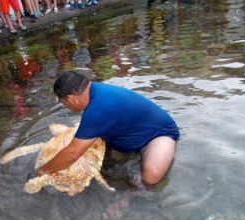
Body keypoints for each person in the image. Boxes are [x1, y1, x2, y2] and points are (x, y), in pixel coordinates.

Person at [37, 71, 180, 186]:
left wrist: (41, 171)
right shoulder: (94, 91)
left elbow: (71, 154)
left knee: (150, 177)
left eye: (63, 102)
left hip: (158, 135)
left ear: (72, 98)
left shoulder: (99, 108)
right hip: (128, 135)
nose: (64, 106)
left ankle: (129, 198)